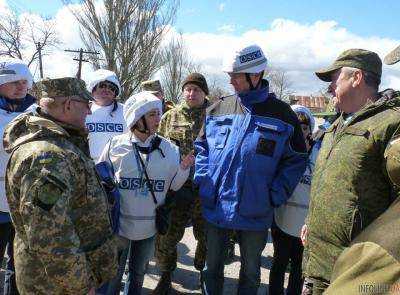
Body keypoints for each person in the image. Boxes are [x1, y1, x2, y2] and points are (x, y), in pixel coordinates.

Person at [194, 44, 307, 295]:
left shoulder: (284, 115)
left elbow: (297, 159)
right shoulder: (217, 108)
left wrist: (274, 195)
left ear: (255, 76)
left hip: (255, 211)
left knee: (250, 274)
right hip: (216, 207)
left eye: (236, 75)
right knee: (211, 269)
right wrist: (204, 181)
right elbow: (202, 147)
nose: (230, 81)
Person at [4, 77, 118, 295]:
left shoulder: (60, 145)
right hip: (56, 285)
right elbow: (49, 235)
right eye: (87, 105)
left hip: (61, 279)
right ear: (68, 105)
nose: (90, 112)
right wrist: (81, 286)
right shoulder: (48, 157)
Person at [302, 49, 400, 294]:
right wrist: (310, 221)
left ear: (356, 78)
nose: (330, 87)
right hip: (317, 263)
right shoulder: (337, 124)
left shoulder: (390, 124)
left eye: (335, 79)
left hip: (354, 271)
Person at [98, 91, 194, 294]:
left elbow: (174, 186)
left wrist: (184, 169)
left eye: (158, 114)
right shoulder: (115, 145)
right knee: (113, 274)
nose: (159, 119)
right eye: (152, 115)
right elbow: (101, 181)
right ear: (136, 118)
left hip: (149, 226)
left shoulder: (169, 149)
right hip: (120, 226)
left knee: (138, 273)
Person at [154, 73, 210, 294]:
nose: (191, 93)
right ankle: (166, 276)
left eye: (196, 89)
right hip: (177, 187)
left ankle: (203, 272)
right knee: (167, 236)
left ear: (204, 92)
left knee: (206, 236)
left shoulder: (214, 116)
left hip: (206, 188)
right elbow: (159, 147)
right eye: (187, 89)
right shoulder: (170, 117)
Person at [269, 105, 319, 295]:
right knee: (279, 262)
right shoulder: (283, 149)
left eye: (304, 128)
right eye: (297, 127)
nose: (300, 131)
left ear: (309, 130)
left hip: (305, 221)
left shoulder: (318, 152)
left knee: (298, 267)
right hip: (282, 217)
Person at [0, 58, 36, 295]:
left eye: (25, 82)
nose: (21, 86)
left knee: (21, 263)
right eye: (14, 81)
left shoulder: (35, 113)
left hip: (25, 202)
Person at [85, 69, 127, 162]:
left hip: (118, 166)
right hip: (89, 165)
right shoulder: (83, 110)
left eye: (112, 88)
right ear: (93, 88)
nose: (107, 90)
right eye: (102, 86)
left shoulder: (126, 111)